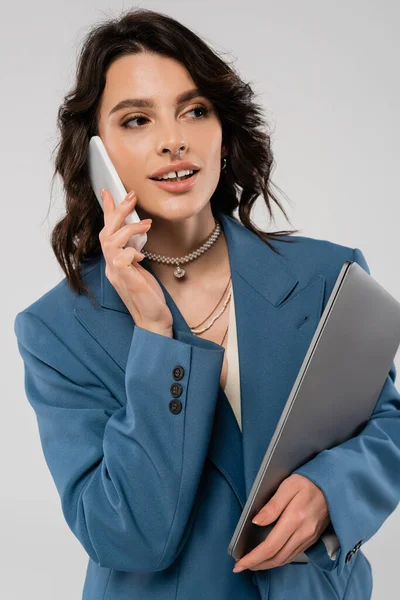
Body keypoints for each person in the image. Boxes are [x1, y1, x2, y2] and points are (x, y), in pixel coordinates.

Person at [14, 8, 400, 600]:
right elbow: (125, 536)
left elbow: (386, 425)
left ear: (224, 128)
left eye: (195, 110)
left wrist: (333, 490)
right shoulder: (56, 329)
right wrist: (153, 333)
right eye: (137, 119)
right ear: (99, 155)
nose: (174, 140)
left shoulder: (328, 274)